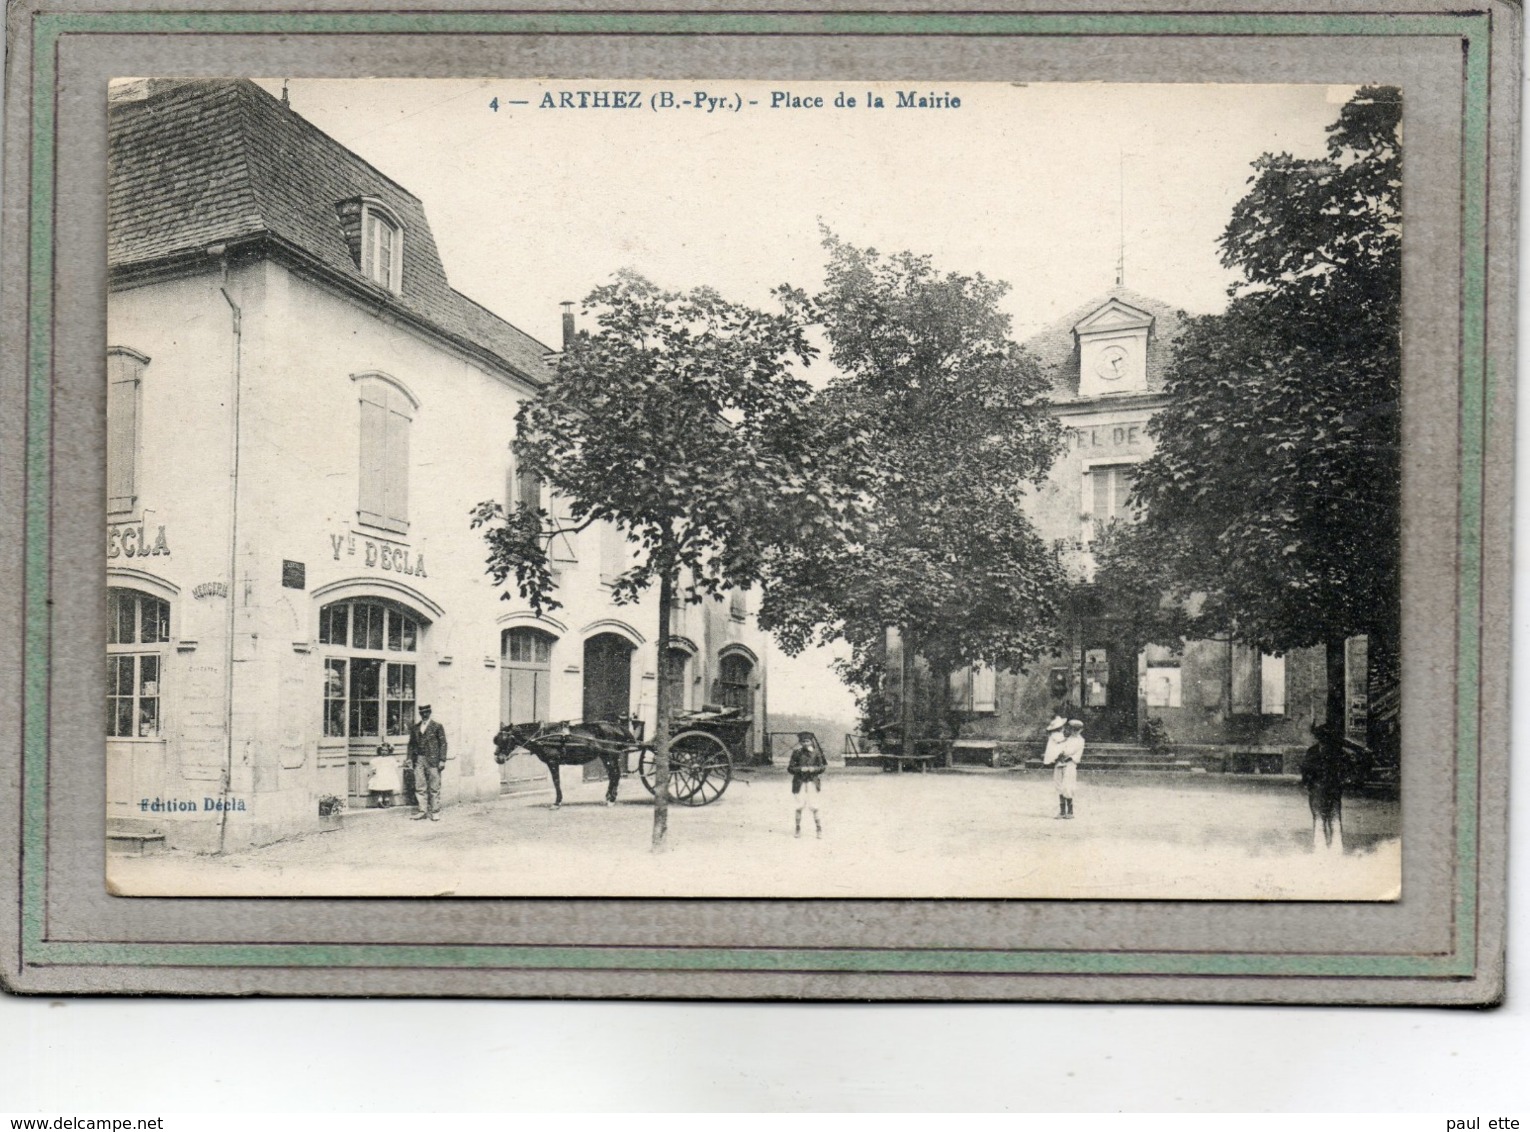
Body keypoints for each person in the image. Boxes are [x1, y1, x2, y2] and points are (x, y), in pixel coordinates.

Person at [1301, 722, 1348, 853]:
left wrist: (1308, 784)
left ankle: (1320, 849)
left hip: (1317, 789)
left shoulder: (1312, 751)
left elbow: (1305, 770)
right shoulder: (1339, 751)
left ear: (1318, 737)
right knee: (1335, 818)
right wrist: (1342, 781)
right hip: (1334, 788)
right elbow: (1347, 768)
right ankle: (1337, 848)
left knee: (1318, 818)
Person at [408, 704, 448, 821]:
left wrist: (442, 760)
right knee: (420, 786)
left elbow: (443, 743)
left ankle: (435, 811)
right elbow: (411, 745)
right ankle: (422, 811)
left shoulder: (437, 726)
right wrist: (410, 759)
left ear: (430, 712)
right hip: (419, 759)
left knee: (434, 786)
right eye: (422, 713)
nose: (424, 715)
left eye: (426, 712)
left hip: (433, 760)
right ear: (420, 714)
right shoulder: (415, 727)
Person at [788, 731, 827, 838]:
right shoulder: (796, 753)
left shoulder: (817, 753)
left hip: (812, 782)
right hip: (799, 782)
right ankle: (797, 828)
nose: (805, 743)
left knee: (814, 805)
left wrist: (813, 769)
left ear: (811, 742)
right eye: (803, 741)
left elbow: (822, 767)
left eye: (807, 741)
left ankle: (819, 829)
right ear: (800, 742)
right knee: (799, 806)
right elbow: (790, 768)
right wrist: (801, 769)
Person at [1054, 718, 1085, 819]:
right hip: (1060, 763)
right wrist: (1059, 755)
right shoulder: (1065, 738)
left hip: (1070, 764)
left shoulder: (1080, 741)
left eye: (1076, 730)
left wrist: (1070, 758)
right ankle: (1062, 811)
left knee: (1068, 786)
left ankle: (1070, 811)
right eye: (1072, 729)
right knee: (1059, 785)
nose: (1073, 732)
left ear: (1080, 730)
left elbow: (1078, 753)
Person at [1040, 715, 1067, 814]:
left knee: (1060, 783)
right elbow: (1061, 744)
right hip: (1059, 759)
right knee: (1060, 783)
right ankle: (1064, 809)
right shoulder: (1057, 735)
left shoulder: (1055, 736)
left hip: (1059, 759)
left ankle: (1063, 810)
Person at [368, 742, 402, 809]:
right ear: (379, 751)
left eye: (386, 750)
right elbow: (374, 765)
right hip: (380, 775)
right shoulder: (377, 759)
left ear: (389, 751)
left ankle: (386, 800)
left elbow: (395, 765)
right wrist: (374, 770)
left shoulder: (391, 759)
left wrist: (401, 764)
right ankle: (380, 800)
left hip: (388, 775)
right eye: (382, 750)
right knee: (380, 788)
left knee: (387, 788)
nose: (384, 752)